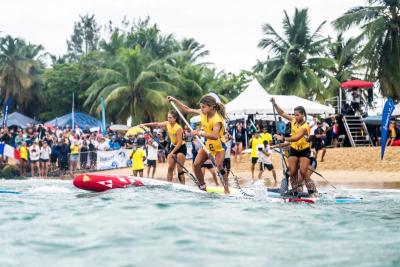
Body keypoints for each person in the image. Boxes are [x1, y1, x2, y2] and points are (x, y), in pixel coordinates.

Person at [168, 94, 230, 194]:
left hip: (219, 146)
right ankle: (202, 186)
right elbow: (187, 109)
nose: (201, 109)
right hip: (208, 145)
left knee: (219, 165)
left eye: (203, 107)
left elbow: (215, 136)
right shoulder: (203, 112)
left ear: (211, 107)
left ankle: (226, 189)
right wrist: (174, 100)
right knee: (196, 165)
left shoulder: (217, 120)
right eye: (201, 107)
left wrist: (199, 133)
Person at [270, 97, 318, 197]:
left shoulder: (305, 127)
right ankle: (295, 192)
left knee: (304, 173)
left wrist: (282, 138)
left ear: (303, 115)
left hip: (304, 150)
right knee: (292, 172)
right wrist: (275, 104)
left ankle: (313, 192)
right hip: (293, 149)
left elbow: (296, 138)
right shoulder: (293, 120)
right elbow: (282, 113)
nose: (295, 117)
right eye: (294, 115)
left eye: (297, 115)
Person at [141, 110, 187, 184]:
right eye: (168, 117)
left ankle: (183, 185)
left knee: (179, 169)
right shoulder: (167, 123)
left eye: (170, 117)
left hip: (181, 147)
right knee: (170, 168)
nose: (168, 119)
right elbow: (156, 124)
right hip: (173, 146)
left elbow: (179, 143)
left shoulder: (178, 128)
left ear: (175, 118)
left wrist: (171, 152)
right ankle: (168, 184)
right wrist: (144, 124)